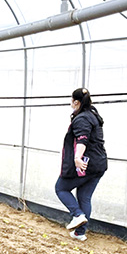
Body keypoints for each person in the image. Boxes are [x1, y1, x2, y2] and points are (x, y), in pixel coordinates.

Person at [55, 88, 108, 241]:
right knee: (84, 197)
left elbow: (82, 139)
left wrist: (77, 157)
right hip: (100, 164)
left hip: (88, 164)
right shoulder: (94, 115)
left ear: (76, 102)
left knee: (61, 188)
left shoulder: (82, 118)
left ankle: (77, 215)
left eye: (72, 101)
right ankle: (80, 233)